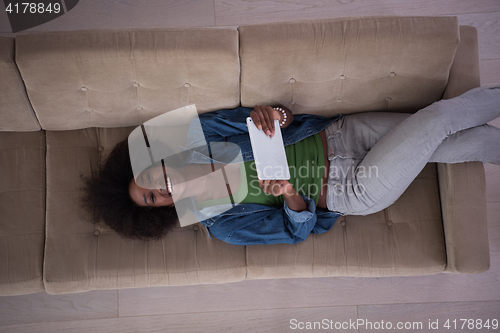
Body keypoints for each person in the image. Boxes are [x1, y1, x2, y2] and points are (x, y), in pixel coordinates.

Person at [82, 86, 500, 245]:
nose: (162, 188)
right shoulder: (223, 225)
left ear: (154, 162)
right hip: (350, 188)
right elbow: (295, 231)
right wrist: (290, 194)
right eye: (153, 199)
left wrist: (275, 116)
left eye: (150, 179)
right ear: (159, 211)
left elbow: (278, 118)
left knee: (458, 143)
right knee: (437, 120)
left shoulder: (199, 135)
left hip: (338, 135)